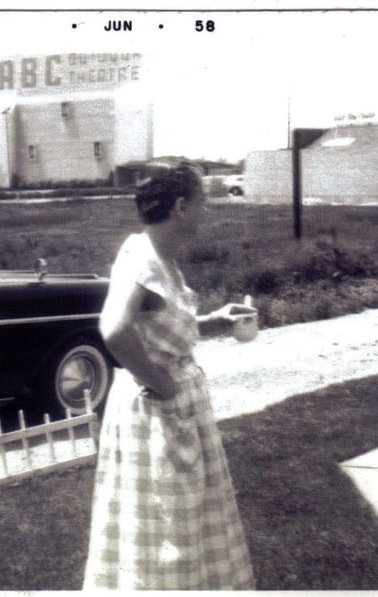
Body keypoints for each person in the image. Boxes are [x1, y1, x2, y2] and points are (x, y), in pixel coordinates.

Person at [83, 163, 257, 590]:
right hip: (157, 414)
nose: (207, 212)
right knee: (166, 529)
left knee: (189, 521)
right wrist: (163, 386)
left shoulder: (161, 258)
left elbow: (158, 329)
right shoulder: (141, 259)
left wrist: (215, 319)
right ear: (181, 207)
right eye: (204, 203)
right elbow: (115, 330)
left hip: (172, 409)